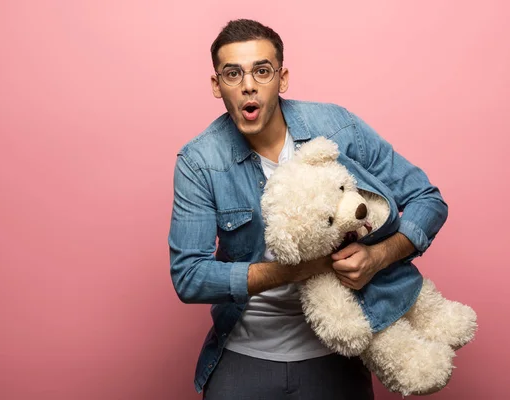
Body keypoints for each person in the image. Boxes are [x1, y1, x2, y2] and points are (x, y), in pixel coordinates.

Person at [168, 19, 448, 400]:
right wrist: (300, 270)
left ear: (281, 79)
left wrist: (378, 256)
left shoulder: (336, 129)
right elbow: (190, 276)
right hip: (245, 352)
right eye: (233, 73)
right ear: (217, 85)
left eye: (261, 71)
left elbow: (428, 199)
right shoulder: (200, 161)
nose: (248, 85)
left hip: (339, 349)